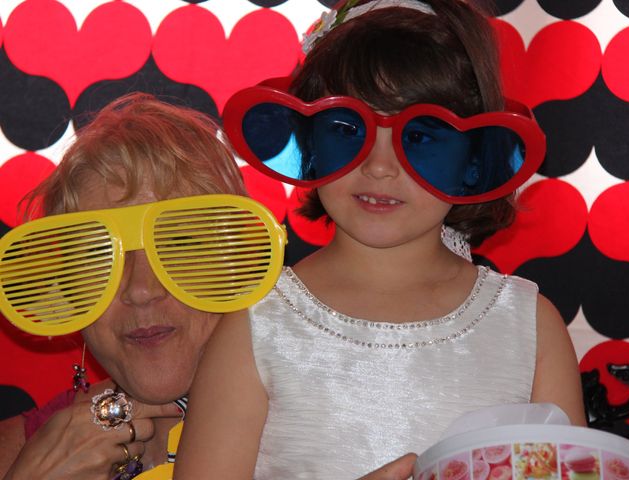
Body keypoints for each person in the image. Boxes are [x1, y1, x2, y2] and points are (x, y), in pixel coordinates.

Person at [173, 0, 587, 479]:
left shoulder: (530, 327)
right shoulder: (257, 328)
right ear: (309, 142)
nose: (379, 165)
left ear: (473, 159)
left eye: (423, 137)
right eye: (348, 129)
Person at [0, 92, 419, 480]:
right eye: (99, 258)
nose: (141, 290)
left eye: (181, 246)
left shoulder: (358, 421)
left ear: (238, 262)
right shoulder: (14, 450)